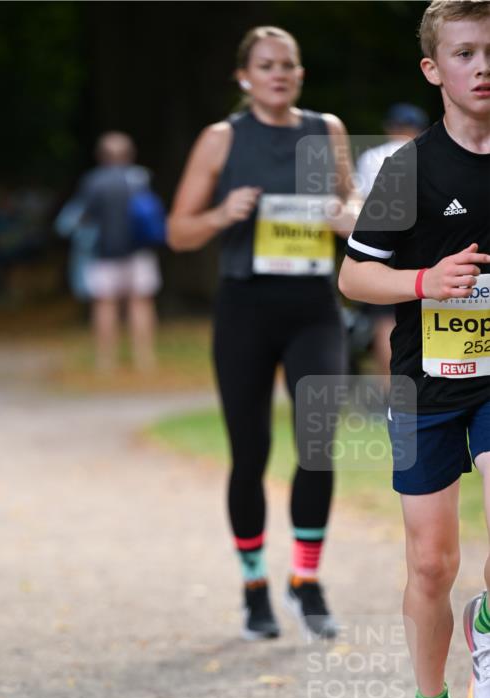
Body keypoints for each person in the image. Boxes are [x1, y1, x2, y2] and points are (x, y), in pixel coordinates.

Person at [339, 0, 490, 698]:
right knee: (431, 564)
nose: (481, 67)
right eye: (463, 53)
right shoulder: (408, 171)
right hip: (424, 382)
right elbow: (353, 275)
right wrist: (425, 282)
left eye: (489, 52)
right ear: (434, 70)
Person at [168, 25, 359, 640]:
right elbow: (178, 231)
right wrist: (223, 213)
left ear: (300, 75)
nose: (279, 74)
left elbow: (357, 211)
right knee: (249, 454)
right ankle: (254, 586)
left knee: (317, 443)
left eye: (289, 65)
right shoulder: (222, 140)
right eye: (267, 65)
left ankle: (307, 580)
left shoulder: (324, 130)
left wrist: (341, 217)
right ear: (244, 77)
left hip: (312, 307)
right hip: (245, 308)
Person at [70, 132, 162, 373]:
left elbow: (84, 217)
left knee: (105, 305)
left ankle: (105, 361)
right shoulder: (141, 177)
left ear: (101, 156)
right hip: (140, 252)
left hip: (104, 253)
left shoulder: (94, 181)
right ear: (129, 154)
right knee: (141, 303)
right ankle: (145, 359)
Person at [355, 104, 429, 390]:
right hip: (420, 243)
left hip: (382, 241)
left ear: (390, 127)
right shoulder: (427, 153)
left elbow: (361, 205)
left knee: (384, 319)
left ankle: (391, 390)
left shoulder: (372, 156)